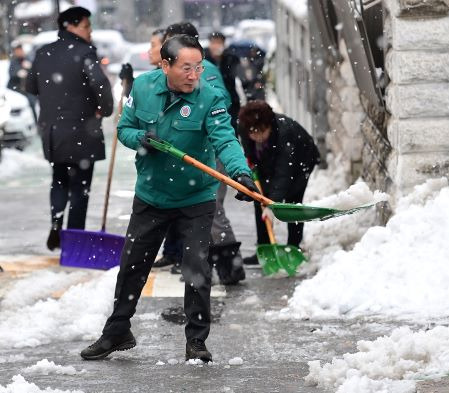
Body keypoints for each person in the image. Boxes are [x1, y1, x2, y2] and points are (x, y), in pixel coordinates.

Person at [80, 35, 259, 362]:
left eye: (199, 67)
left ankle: (196, 341)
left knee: (196, 268)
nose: (194, 75)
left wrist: (240, 172)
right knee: (133, 265)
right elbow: (124, 129)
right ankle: (117, 331)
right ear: (165, 66)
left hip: (196, 196)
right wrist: (143, 139)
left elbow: (225, 139)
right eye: (186, 68)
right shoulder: (144, 88)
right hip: (152, 194)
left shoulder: (210, 96)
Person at [152, 23, 246, 285]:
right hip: (190, 152)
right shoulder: (172, 71)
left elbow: (220, 107)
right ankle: (200, 264)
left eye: (170, 41)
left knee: (211, 208)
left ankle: (230, 267)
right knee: (197, 208)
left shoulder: (206, 72)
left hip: (211, 150)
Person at [25, 6, 114, 251]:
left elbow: (30, 85)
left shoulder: (43, 52)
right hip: (82, 130)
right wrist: (103, 109)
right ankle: (73, 241)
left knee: (59, 181)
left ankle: (56, 224)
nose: (90, 30)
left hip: (53, 132)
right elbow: (101, 85)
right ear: (71, 26)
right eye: (86, 26)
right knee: (80, 187)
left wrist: (54, 99)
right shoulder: (86, 52)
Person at [237, 101, 320, 265]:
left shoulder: (284, 133)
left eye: (262, 131)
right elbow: (248, 149)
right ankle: (265, 247)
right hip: (267, 160)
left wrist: (272, 205)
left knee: (292, 203)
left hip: (300, 162)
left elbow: (284, 173)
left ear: (270, 125)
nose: (258, 136)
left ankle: (293, 247)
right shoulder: (245, 128)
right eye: (253, 133)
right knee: (259, 199)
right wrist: (251, 161)